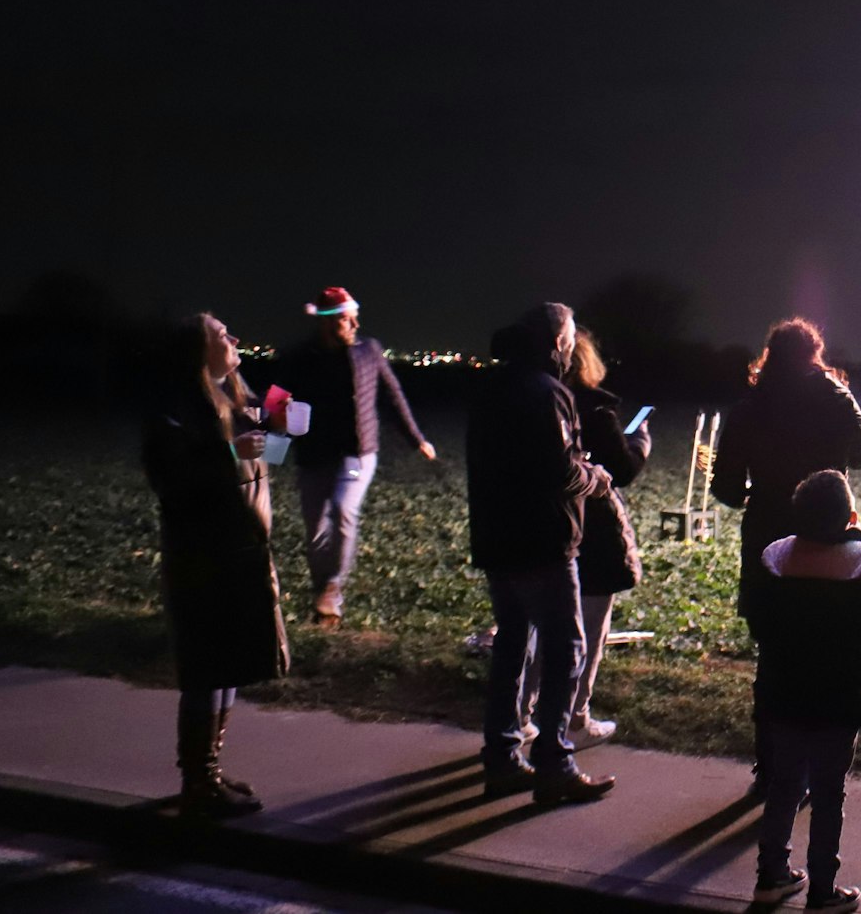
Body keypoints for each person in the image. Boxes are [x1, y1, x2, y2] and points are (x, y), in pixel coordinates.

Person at [711, 318, 861, 787]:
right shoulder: (835, 396)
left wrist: (761, 493)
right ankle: (817, 766)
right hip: (826, 535)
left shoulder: (749, 406)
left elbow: (725, 486)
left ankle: (771, 767)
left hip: (766, 539)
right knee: (828, 650)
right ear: (814, 353)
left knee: (773, 655)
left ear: (770, 356)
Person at [141, 314, 291, 818]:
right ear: (197, 352)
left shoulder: (237, 397)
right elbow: (172, 481)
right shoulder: (175, 410)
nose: (234, 340)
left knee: (227, 664)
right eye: (222, 335)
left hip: (242, 548)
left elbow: (268, 459)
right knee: (207, 668)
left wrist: (284, 428)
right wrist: (228, 449)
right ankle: (197, 781)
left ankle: (209, 771)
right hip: (204, 555)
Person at [467, 303, 616, 805]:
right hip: (542, 541)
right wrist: (595, 478)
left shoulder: (492, 388)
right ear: (557, 342)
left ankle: (503, 757)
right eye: (570, 336)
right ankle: (555, 761)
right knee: (564, 649)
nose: (573, 345)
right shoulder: (547, 393)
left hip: (496, 537)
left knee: (512, 645)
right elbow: (559, 470)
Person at [751, 471, 861, 914]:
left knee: (783, 785)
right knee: (827, 793)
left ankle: (771, 875)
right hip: (836, 699)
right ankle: (822, 888)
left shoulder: (775, 559)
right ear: (850, 518)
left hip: (781, 692)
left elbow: (760, 625)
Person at [519, 327, 651, 749]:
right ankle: (574, 716)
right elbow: (622, 469)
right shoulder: (593, 408)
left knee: (539, 627)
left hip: (538, 522)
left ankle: (523, 713)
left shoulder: (530, 401)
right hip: (589, 527)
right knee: (588, 627)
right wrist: (640, 444)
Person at [277, 286, 437, 627]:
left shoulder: (369, 351)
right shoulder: (300, 357)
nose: (354, 324)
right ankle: (323, 594)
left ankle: (334, 587)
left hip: (358, 454)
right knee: (315, 527)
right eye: (345, 319)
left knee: (342, 508)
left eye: (354, 318)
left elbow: (393, 396)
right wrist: (269, 451)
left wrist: (416, 439)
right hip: (315, 454)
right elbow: (277, 403)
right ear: (326, 323)